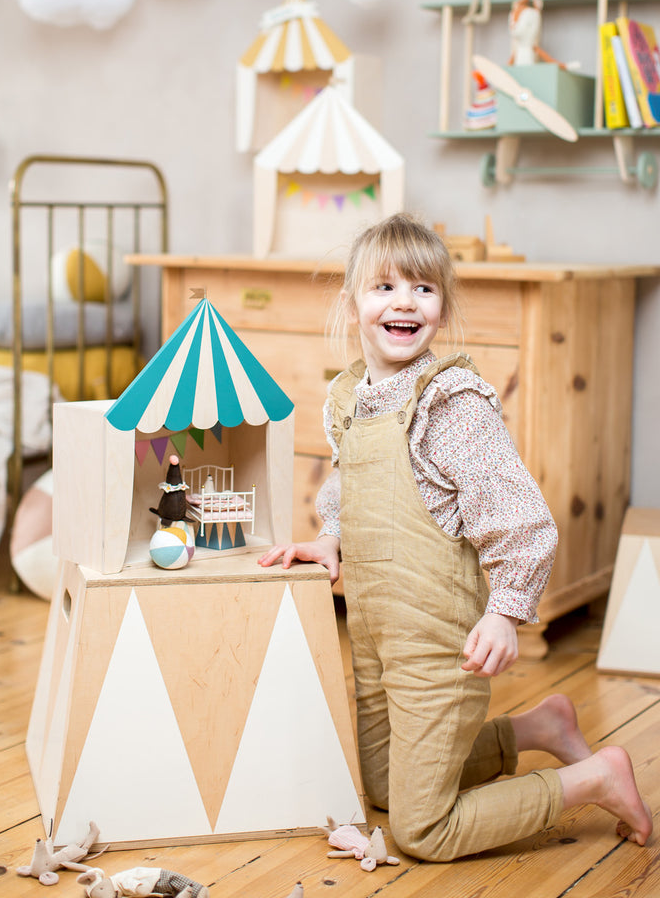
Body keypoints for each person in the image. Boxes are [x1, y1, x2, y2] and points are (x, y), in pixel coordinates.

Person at [258, 212, 652, 862]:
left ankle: (592, 778)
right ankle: (539, 726)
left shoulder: (450, 405)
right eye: (384, 287)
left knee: (420, 830)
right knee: (382, 785)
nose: (404, 301)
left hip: (441, 646)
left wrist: (504, 612)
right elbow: (350, 483)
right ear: (353, 304)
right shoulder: (353, 396)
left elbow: (522, 516)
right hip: (377, 636)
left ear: (441, 306)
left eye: (423, 288)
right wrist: (330, 538)